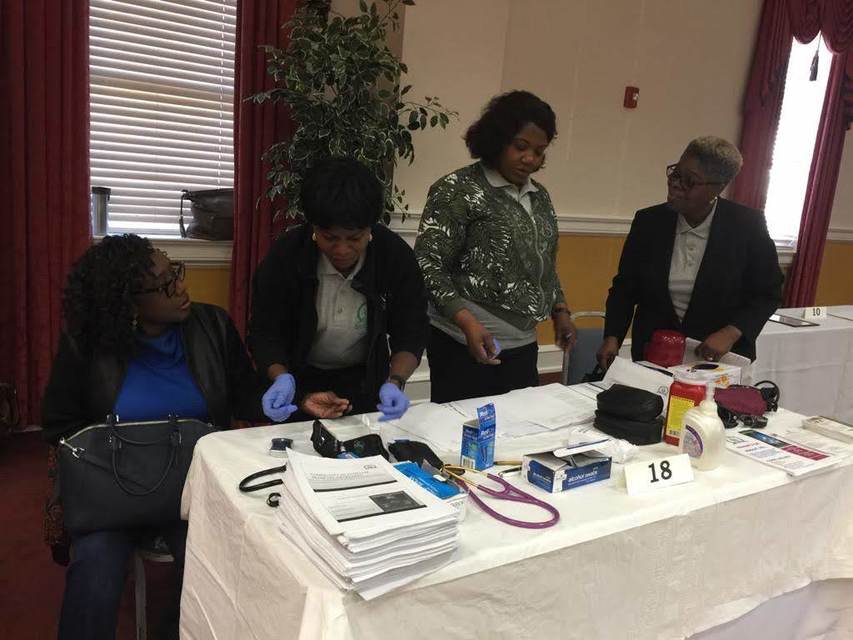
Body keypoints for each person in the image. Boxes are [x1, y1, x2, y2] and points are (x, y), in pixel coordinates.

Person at [42, 234, 263, 640]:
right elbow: (59, 427)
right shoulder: (86, 344)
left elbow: (247, 396)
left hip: (192, 490)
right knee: (95, 570)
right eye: (164, 285)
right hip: (112, 495)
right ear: (127, 304)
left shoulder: (212, 326)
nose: (181, 287)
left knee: (215, 564)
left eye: (175, 272)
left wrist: (283, 399)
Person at [414, 90, 576, 403]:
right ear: (497, 140)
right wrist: (467, 322)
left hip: (523, 345)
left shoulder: (539, 196)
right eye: (521, 147)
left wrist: (560, 310)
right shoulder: (457, 189)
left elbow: (543, 262)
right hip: (463, 344)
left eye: (539, 151)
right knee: (464, 427)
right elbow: (428, 265)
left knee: (518, 426)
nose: (530, 159)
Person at [249, 157, 428, 423]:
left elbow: (411, 330)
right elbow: (265, 332)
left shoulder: (394, 256)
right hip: (298, 380)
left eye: (355, 238)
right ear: (313, 227)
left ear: (370, 228)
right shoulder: (286, 256)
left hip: (365, 380)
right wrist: (281, 379)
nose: (342, 250)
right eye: (329, 238)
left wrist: (396, 381)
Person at [597, 136, 783, 369]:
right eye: (675, 174)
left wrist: (732, 332)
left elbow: (768, 293)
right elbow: (625, 288)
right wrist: (612, 336)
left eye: (689, 181)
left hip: (717, 360)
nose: (675, 184)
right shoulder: (649, 222)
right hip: (655, 355)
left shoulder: (746, 226)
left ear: (718, 187)